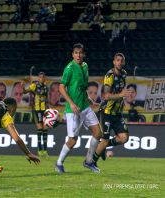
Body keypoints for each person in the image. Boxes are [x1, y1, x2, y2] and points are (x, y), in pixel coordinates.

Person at [55, 43, 102, 174]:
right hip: (73, 110)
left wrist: (87, 97)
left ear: (84, 54)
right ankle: (59, 163)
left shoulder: (85, 66)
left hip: (85, 107)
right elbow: (61, 87)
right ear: (72, 54)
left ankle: (89, 161)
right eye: (76, 53)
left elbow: (82, 86)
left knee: (98, 133)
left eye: (80, 53)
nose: (78, 55)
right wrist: (71, 103)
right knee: (72, 141)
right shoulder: (69, 68)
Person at [92, 53, 131, 167]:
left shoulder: (124, 74)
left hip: (117, 113)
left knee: (124, 138)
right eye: (117, 60)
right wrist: (121, 95)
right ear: (114, 62)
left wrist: (122, 98)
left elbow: (120, 91)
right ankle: (91, 162)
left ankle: (103, 146)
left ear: (123, 62)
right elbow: (106, 96)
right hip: (106, 112)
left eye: (121, 60)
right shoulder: (110, 76)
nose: (119, 62)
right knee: (104, 139)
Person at [23, 72, 49, 157]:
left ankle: (45, 150)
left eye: (43, 77)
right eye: (40, 77)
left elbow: (46, 99)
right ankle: (39, 149)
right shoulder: (34, 86)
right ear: (38, 78)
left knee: (45, 128)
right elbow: (24, 92)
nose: (42, 78)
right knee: (40, 128)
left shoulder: (46, 87)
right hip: (37, 109)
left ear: (45, 79)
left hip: (44, 109)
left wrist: (48, 109)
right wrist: (23, 86)